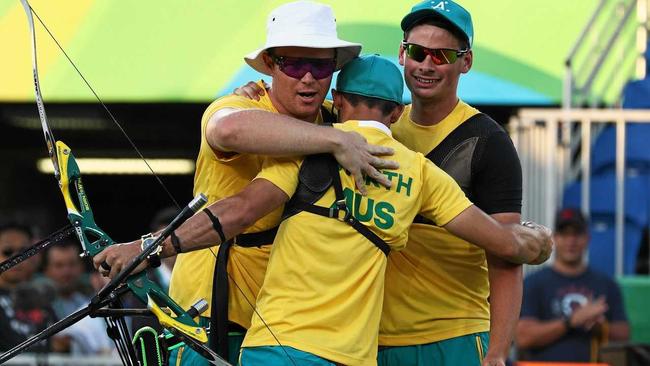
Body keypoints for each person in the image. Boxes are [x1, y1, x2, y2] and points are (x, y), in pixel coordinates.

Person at [95, 55, 553, 366]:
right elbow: (503, 244)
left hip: (276, 347)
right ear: (398, 114)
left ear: (337, 102)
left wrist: (146, 248)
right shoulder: (423, 174)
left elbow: (234, 214)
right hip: (353, 356)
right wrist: (538, 241)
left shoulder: (303, 153)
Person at [235, 2, 525, 364]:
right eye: (418, 52)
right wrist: (258, 94)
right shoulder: (368, 125)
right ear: (403, 54)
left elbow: (508, 254)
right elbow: (292, 108)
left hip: (453, 335)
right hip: (374, 341)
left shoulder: (487, 142)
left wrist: (498, 352)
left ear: (465, 62)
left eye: (442, 55)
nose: (427, 65)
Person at [161, 1, 394, 364]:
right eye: (295, 63)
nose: (308, 78)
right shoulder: (240, 106)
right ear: (270, 64)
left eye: (320, 65)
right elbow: (227, 129)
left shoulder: (337, 121)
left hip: (286, 323)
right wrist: (333, 139)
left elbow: (394, 130)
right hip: (209, 309)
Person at [516, 207, 630, 362]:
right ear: (555, 238)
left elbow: (625, 334)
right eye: (564, 234)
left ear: (587, 238)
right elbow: (523, 337)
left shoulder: (606, 284)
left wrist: (601, 326)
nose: (571, 241)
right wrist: (572, 321)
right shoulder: (534, 283)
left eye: (577, 234)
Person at [0, 223, 59, 352]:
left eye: (23, 252)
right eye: (7, 251)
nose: (16, 258)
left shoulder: (41, 294)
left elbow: (58, 342)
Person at [42, 240, 89, 320]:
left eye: (72, 264)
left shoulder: (96, 295)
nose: (66, 272)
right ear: (46, 271)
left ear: (82, 267)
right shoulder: (39, 306)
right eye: (59, 265)